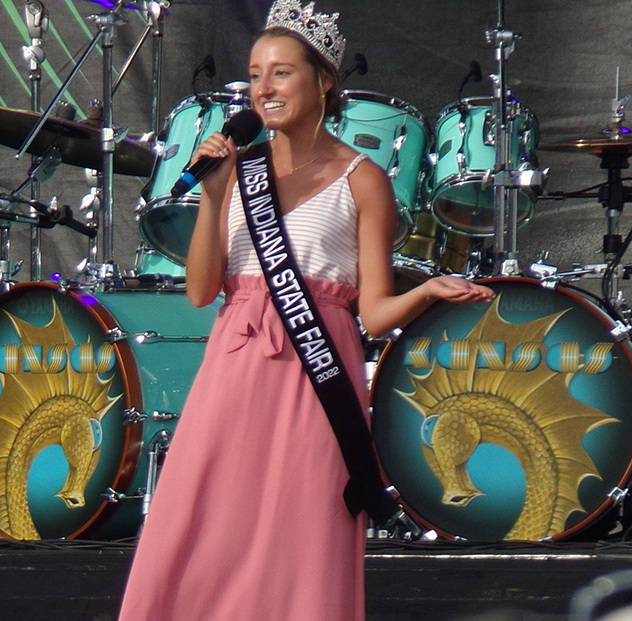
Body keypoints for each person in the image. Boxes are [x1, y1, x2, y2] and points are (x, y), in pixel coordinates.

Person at [118, 1, 493, 619]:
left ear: (324, 82)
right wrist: (213, 196)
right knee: (203, 525)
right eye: (256, 73)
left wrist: (426, 292)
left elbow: (371, 315)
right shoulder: (239, 174)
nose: (263, 87)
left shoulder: (363, 179)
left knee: (301, 533)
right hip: (233, 372)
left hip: (316, 376)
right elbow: (201, 291)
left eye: (282, 72)